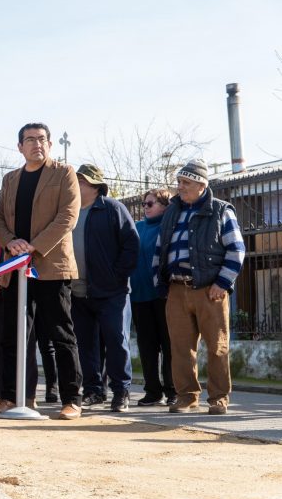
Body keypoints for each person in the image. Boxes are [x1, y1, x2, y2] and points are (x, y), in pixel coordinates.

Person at [0, 123, 83, 420]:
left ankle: (71, 399)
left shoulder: (64, 173)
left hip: (50, 266)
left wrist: (33, 246)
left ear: (50, 144)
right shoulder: (10, 179)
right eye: (29, 140)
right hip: (15, 267)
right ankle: (14, 396)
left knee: (61, 333)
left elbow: (67, 216)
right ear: (20, 147)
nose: (36, 144)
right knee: (15, 334)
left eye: (41, 139)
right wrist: (10, 242)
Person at [153, 159, 245, 415]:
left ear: (202, 184)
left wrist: (222, 283)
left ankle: (218, 398)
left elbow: (236, 250)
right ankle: (186, 397)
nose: (180, 187)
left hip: (209, 291)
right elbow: (160, 251)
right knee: (180, 348)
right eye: (179, 182)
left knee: (217, 346)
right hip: (176, 289)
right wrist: (160, 284)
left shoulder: (221, 210)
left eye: (186, 182)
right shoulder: (171, 211)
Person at [70, 165, 139, 412]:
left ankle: (121, 392)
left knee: (116, 340)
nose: (76, 185)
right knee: (85, 344)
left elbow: (131, 245)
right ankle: (93, 390)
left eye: (81, 181)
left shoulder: (112, 209)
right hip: (78, 291)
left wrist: (117, 276)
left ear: (94, 186)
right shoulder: (69, 212)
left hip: (112, 292)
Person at [131, 188, 176, 406]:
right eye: (144, 204)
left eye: (151, 204)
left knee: (169, 345)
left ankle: (172, 390)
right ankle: (152, 390)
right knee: (147, 347)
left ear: (165, 206)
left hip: (164, 296)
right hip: (139, 296)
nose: (146, 208)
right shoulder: (136, 228)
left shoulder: (169, 228)